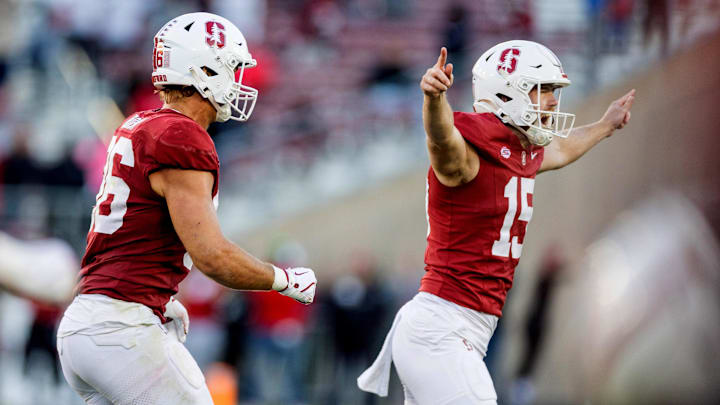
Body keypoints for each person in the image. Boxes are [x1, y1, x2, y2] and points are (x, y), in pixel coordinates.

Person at [56, 12, 317, 405]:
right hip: (120, 331)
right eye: (231, 69)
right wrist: (283, 280)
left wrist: (159, 297)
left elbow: (133, 237)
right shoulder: (181, 136)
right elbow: (212, 256)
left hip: (89, 324)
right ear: (204, 71)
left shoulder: (140, 123)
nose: (237, 82)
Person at [358, 40, 634, 404]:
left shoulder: (516, 151)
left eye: (554, 91)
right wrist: (434, 100)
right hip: (442, 327)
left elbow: (563, 149)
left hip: (458, 331)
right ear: (506, 94)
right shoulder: (470, 154)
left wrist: (605, 125)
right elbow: (441, 141)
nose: (553, 101)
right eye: (543, 89)